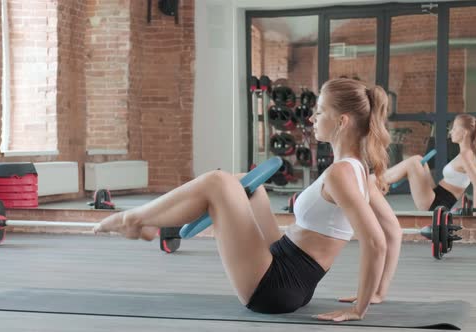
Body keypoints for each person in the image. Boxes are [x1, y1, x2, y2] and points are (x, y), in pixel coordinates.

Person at [94, 78, 402, 322]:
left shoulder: (341, 175)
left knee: (218, 182)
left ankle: (132, 219)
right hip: (289, 270)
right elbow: (393, 231)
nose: (311, 116)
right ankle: (151, 223)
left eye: (320, 111)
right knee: (250, 187)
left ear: (343, 121)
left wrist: (359, 308)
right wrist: (379, 292)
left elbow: (376, 242)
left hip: (275, 286)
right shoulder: (361, 172)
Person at [382, 114, 476, 211]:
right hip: (436, 194)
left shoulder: (466, 156)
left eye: (455, 128)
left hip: (435, 204)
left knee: (413, 163)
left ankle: (380, 180)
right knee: (418, 159)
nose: (451, 131)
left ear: (464, 132)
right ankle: (383, 180)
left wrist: (475, 214)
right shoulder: (465, 154)